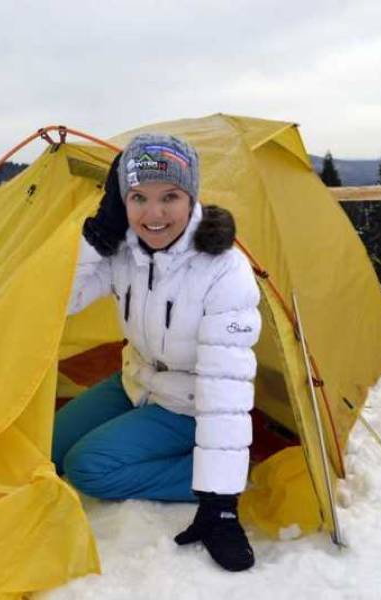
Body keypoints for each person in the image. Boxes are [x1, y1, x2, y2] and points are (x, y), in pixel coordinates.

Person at [52, 133, 261, 572]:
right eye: (138, 197)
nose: (154, 213)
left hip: (189, 404)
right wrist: (97, 237)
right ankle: (195, 459)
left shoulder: (223, 270)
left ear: (192, 196)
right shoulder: (124, 249)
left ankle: (219, 475)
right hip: (136, 380)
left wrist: (220, 503)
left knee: (86, 468)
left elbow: (225, 387)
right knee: (51, 445)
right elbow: (58, 301)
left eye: (170, 196)